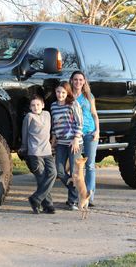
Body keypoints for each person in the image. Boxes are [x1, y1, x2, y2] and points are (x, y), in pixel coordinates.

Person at [20, 95, 57, 214]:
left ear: (43, 105)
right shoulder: (29, 117)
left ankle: (35, 198)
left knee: (53, 174)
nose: (36, 107)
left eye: (38, 104)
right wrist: (24, 147)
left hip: (47, 151)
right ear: (30, 107)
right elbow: (24, 133)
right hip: (35, 152)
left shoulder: (47, 114)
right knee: (41, 178)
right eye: (33, 105)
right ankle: (48, 205)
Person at [51, 81, 83, 211]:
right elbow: (54, 124)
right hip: (60, 143)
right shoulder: (53, 106)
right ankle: (74, 190)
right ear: (55, 92)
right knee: (59, 170)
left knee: (75, 172)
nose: (60, 95)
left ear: (67, 93)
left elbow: (79, 122)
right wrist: (53, 139)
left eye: (63, 92)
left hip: (74, 143)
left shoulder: (73, 104)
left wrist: (76, 138)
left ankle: (72, 201)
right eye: (58, 92)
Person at [70, 71, 100, 206]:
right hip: (76, 135)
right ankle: (76, 197)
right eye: (75, 79)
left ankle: (89, 197)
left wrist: (97, 131)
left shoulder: (89, 96)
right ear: (71, 80)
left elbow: (94, 114)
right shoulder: (68, 96)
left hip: (90, 133)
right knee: (75, 168)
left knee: (90, 166)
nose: (78, 82)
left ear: (84, 81)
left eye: (80, 80)